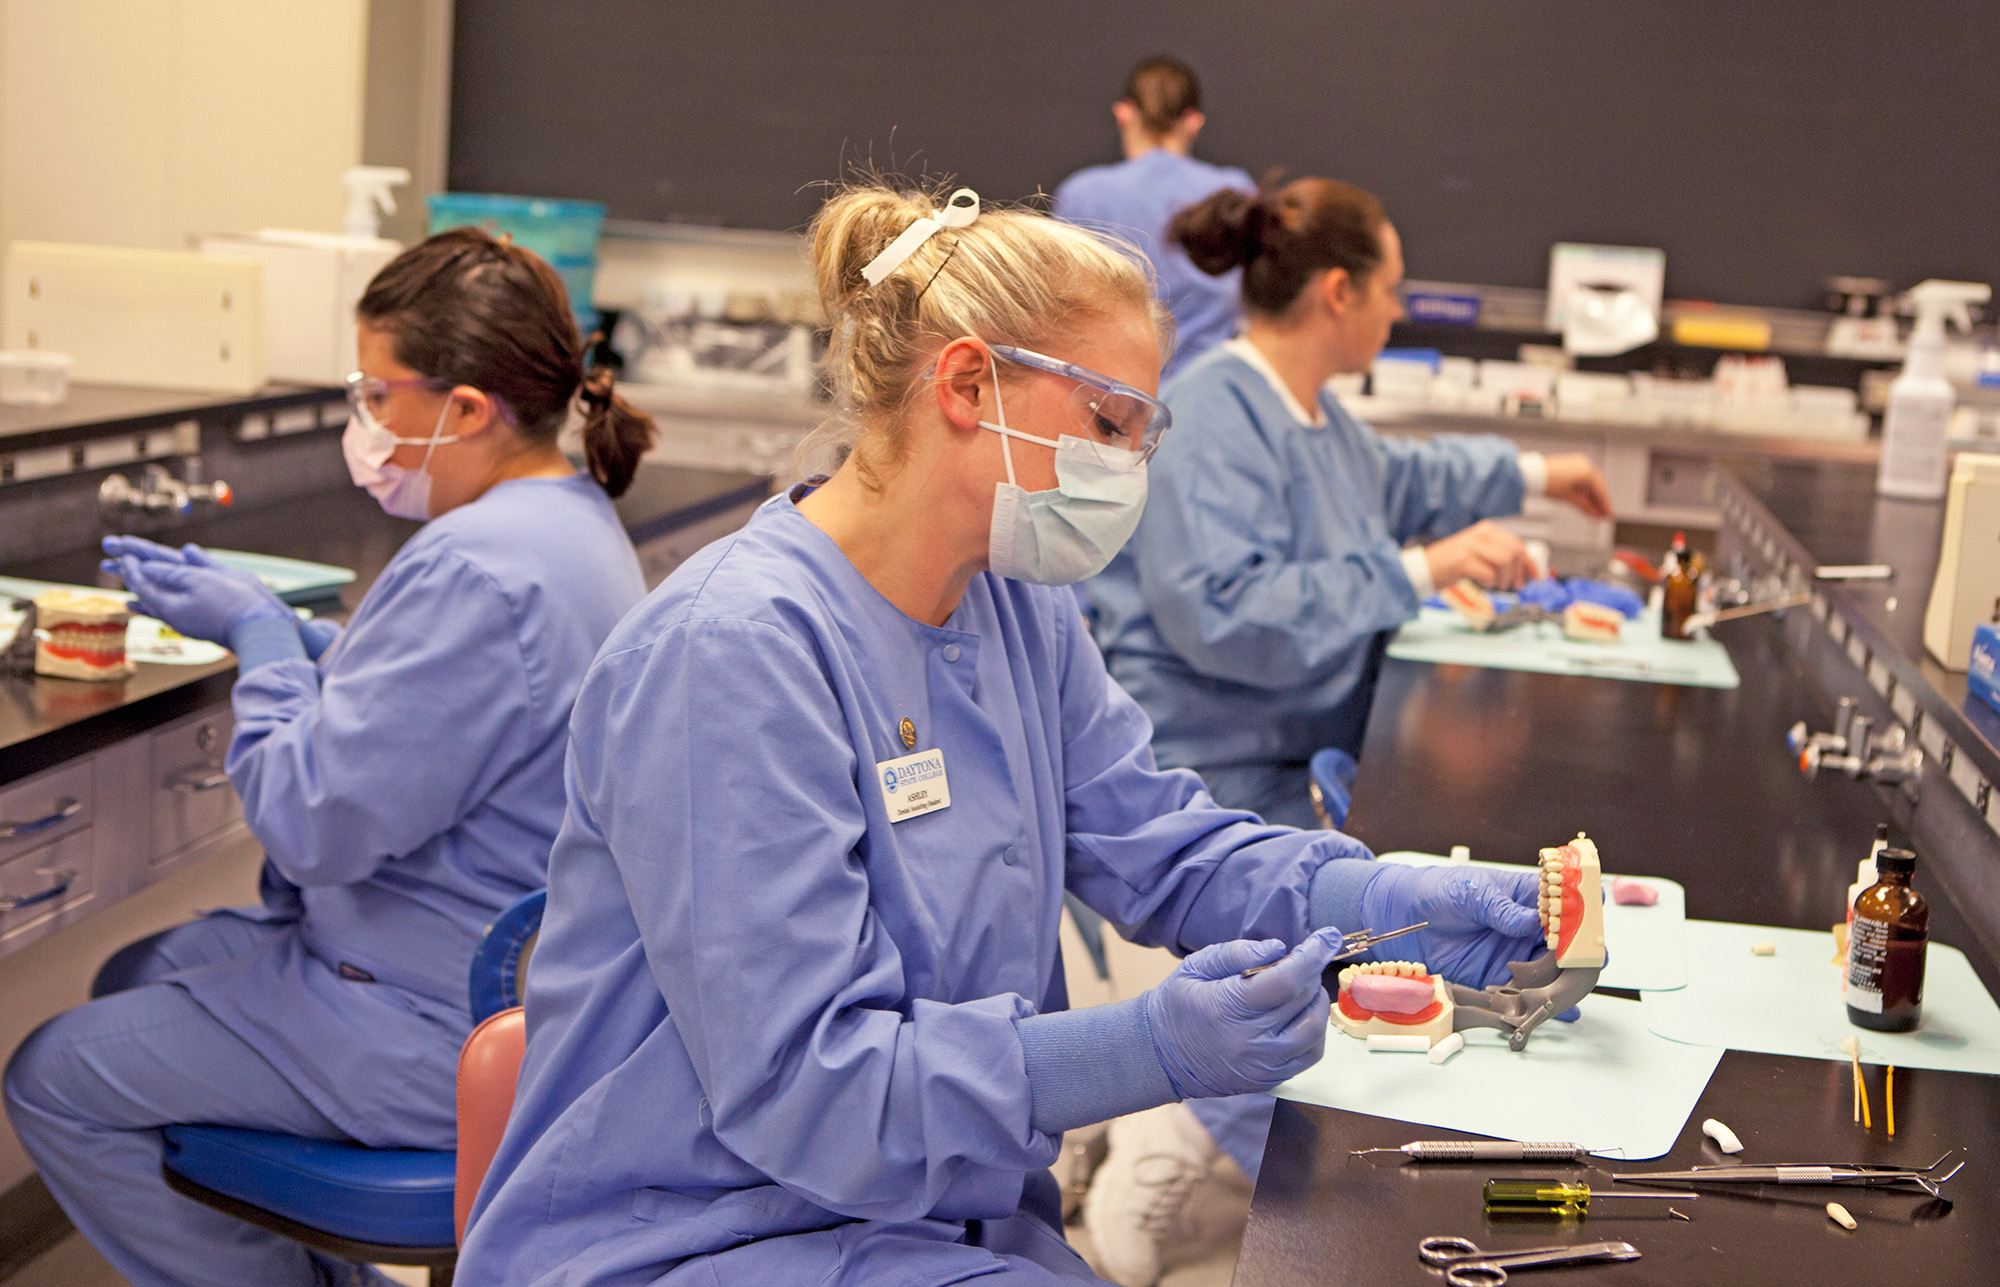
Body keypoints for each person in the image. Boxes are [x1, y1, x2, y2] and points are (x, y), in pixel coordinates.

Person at [455, 180, 1555, 1287]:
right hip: (704, 1235)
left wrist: (1376, 903)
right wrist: (1149, 1048)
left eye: (1140, 434)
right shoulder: (731, 653)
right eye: (1107, 424)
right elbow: (815, 1089)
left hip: (936, 1215)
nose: (1127, 467)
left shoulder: (1012, 604)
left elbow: (1157, 843)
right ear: (967, 382)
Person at [4, 228, 654, 1287]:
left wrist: (261, 639)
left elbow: (310, 820)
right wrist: (330, 650)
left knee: (51, 1074)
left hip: (421, 1008)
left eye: (377, 395)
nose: (364, 424)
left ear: (468, 409)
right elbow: (471, 713)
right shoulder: (565, 524)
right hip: (503, 975)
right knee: (135, 970)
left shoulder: (477, 565)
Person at [1078, 177, 1612, 1282]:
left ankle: (1193, 1142)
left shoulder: (1302, 411)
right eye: (1393, 287)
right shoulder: (1219, 412)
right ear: (1337, 292)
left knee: (1371, 956)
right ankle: (1163, 1156)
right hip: (1210, 766)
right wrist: (1415, 572)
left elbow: (1398, 478)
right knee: (1303, 997)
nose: (1398, 307)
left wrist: (1532, 471)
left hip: (1280, 750)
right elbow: (1221, 613)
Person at [1054, 57, 1254, 379]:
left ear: (1124, 113)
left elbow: (1061, 310)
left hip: (1111, 392)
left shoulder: (1082, 194)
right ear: (1193, 121)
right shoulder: (1234, 193)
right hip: (1211, 388)